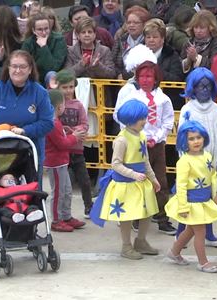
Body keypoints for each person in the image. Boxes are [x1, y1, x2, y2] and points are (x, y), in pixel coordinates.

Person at [89, 99, 161, 260]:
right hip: (126, 184)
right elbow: (115, 164)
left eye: (144, 117)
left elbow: (145, 160)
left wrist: (153, 178)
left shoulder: (141, 135)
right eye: (140, 118)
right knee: (127, 216)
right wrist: (134, 174)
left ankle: (141, 241)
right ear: (130, 119)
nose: (144, 121)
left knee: (147, 212)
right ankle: (126, 245)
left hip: (141, 183)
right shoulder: (122, 140)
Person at [0, 50, 54, 179]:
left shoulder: (40, 92)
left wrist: (25, 131)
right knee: (4, 193)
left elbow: (47, 123)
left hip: (30, 153)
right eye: (14, 66)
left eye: (22, 67)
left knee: (30, 194)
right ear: (8, 68)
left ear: (30, 69)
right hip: (2, 151)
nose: (17, 70)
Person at [114, 61, 176, 235]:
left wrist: (156, 138)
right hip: (136, 145)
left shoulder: (163, 99)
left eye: (149, 76)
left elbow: (168, 121)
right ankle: (136, 217)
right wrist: (134, 136)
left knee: (160, 181)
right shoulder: (132, 97)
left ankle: (162, 218)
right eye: (141, 76)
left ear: (156, 78)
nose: (145, 80)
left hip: (157, 145)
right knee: (137, 182)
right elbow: (120, 115)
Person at [164, 119, 217, 273]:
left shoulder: (207, 155)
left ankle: (174, 252)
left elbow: (212, 176)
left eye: (198, 137)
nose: (196, 141)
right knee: (200, 231)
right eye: (191, 139)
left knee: (191, 230)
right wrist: (183, 206)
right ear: (184, 141)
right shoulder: (184, 161)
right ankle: (203, 262)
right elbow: (181, 185)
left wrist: (216, 194)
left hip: (204, 199)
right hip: (191, 202)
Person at [177, 67, 217, 247]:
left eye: (207, 86)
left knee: (208, 199)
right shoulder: (187, 109)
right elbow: (182, 137)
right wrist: (186, 160)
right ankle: (181, 234)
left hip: (211, 164)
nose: (204, 90)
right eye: (200, 86)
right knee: (190, 199)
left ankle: (209, 233)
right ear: (193, 88)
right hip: (191, 165)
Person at [44, 89, 87, 232]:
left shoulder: (56, 123)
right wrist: (74, 136)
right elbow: (61, 143)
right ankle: (56, 220)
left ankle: (66, 216)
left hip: (62, 162)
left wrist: (67, 131)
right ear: (59, 107)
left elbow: (60, 137)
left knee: (67, 190)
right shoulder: (53, 123)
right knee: (58, 192)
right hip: (55, 163)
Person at [54, 70, 94, 219]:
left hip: (77, 150)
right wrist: (69, 133)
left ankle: (89, 206)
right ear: (58, 88)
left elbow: (84, 124)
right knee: (65, 185)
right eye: (65, 87)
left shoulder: (78, 105)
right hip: (61, 151)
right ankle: (63, 212)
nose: (69, 90)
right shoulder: (56, 105)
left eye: (71, 87)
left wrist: (75, 131)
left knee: (84, 180)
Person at [21, 13, 67, 85]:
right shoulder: (28, 43)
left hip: (52, 78)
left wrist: (43, 47)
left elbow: (53, 67)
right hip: (33, 78)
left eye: (46, 28)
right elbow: (24, 64)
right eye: (40, 29)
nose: (44, 32)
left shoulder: (58, 40)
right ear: (33, 30)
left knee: (51, 74)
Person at [112, 5, 149, 79]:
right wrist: (119, 74)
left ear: (144, 24)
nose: (131, 25)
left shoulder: (148, 41)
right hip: (121, 82)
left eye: (136, 23)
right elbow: (113, 62)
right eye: (129, 22)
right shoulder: (120, 40)